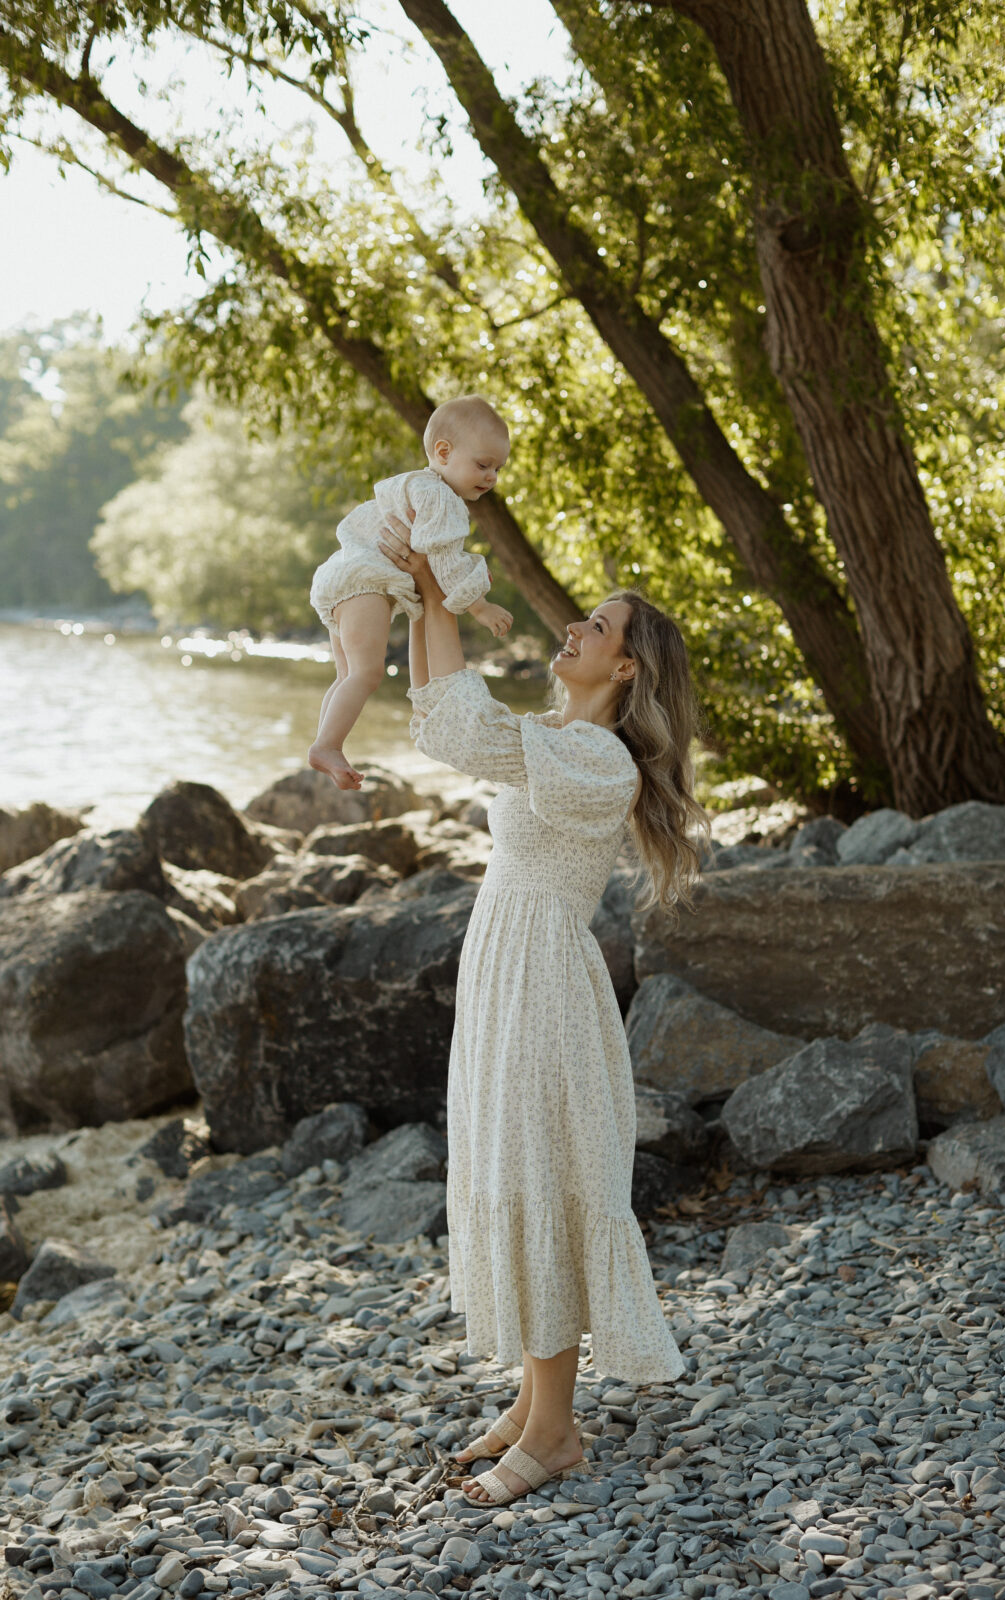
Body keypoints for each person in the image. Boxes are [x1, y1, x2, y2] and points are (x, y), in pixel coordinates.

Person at [378, 511, 707, 1508]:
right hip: (503, 960)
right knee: (509, 1158)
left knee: (545, 1172)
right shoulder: (561, 737)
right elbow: (441, 715)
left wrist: (438, 593)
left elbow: (469, 729)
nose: (573, 626)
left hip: (546, 980)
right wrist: (427, 594)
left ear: (626, 670)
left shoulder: (597, 761)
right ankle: (532, 1403)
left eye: (595, 626)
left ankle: (557, 1429)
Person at [307, 395, 514, 790]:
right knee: (367, 674)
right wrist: (480, 606)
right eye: (483, 464)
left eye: (498, 469)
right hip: (364, 585)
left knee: (347, 675)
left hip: (340, 580)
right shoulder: (440, 498)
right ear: (443, 452)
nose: (491, 477)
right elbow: (444, 559)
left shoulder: (415, 485)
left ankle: (325, 743)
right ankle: (327, 746)